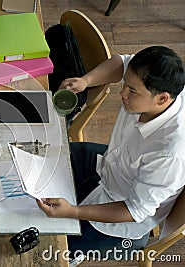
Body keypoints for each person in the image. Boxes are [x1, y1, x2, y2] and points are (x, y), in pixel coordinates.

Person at [37, 46, 185, 263]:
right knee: (43, 153)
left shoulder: (170, 154)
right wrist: (86, 81)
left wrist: (74, 212)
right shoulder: (155, 81)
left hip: (119, 213)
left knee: (45, 248)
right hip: (110, 163)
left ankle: (76, 254)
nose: (122, 93)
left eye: (132, 91)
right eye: (126, 83)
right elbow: (122, 63)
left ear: (162, 99)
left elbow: (134, 210)